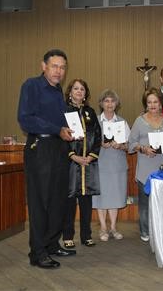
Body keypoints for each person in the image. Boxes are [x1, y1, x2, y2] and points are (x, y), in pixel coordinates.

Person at [17, 49, 75, 269]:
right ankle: (38, 252)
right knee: (40, 202)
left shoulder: (58, 91)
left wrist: (69, 130)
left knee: (58, 199)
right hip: (40, 148)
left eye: (62, 67)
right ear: (44, 66)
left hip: (59, 149)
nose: (59, 71)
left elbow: (59, 123)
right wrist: (56, 129)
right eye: (54, 66)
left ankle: (51, 244)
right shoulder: (31, 86)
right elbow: (25, 119)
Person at [128, 87, 163, 242]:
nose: (152, 105)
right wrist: (143, 149)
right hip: (145, 168)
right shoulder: (139, 121)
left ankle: (162, 231)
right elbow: (131, 144)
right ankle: (145, 232)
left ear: (160, 103)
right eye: (149, 102)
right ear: (146, 104)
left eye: (155, 102)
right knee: (145, 204)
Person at [62, 79, 101, 248]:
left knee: (86, 203)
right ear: (70, 92)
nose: (79, 91)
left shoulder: (91, 112)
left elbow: (98, 136)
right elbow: (59, 138)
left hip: (89, 164)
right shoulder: (63, 111)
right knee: (69, 202)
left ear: (86, 93)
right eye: (76, 89)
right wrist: (72, 155)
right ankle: (67, 236)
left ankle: (86, 235)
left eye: (82, 89)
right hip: (70, 164)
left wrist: (91, 156)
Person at [92, 89, 130, 241]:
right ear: (101, 103)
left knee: (114, 195)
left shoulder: (122, 122)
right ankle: (102, 228)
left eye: (112, 101)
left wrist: (120, 146)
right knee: (101, 197)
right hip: (100, 164)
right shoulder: (94, 121)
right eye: (106, 101)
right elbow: (87, 143)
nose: (109, 104)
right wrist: (99, 144)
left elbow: (129, 145)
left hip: (117, 165)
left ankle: (113, 227)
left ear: (117, 104)